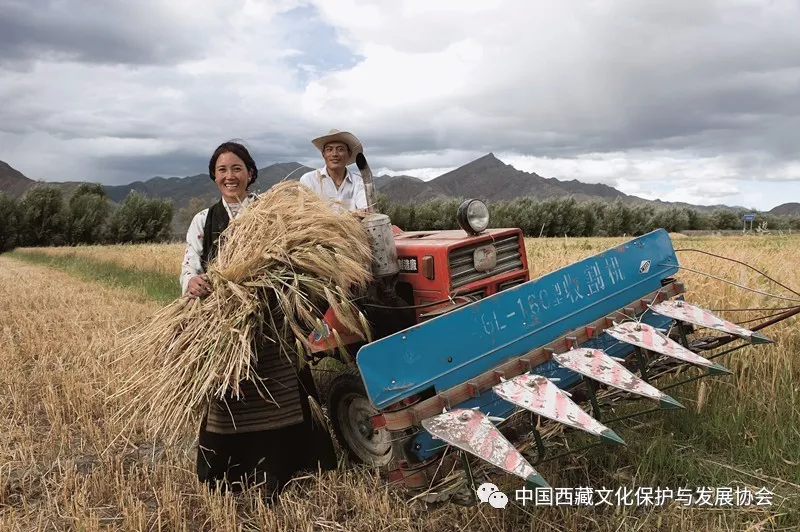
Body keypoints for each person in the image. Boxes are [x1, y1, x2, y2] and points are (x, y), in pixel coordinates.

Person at [180, 140, 337, 498]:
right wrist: (192, 280)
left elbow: (295, 255)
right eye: (222, 170)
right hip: (225, 323)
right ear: (214, 176)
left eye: (237, 168)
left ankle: (279, 466)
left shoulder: (269, 212)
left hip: (271, 318)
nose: (229, 176)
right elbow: (191, 261)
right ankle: (231, 470)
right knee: (230, 391)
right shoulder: (204, 220)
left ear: (250, 174)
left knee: (278, 385)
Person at [299, 129, 369, 213]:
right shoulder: (309, 180)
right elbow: (305, 214)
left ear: (349, 154)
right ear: (323, 154)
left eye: (340, 149)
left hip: (354, 226)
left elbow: (364, 211)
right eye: (329, 149)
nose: (335, 154)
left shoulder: (358, 182)